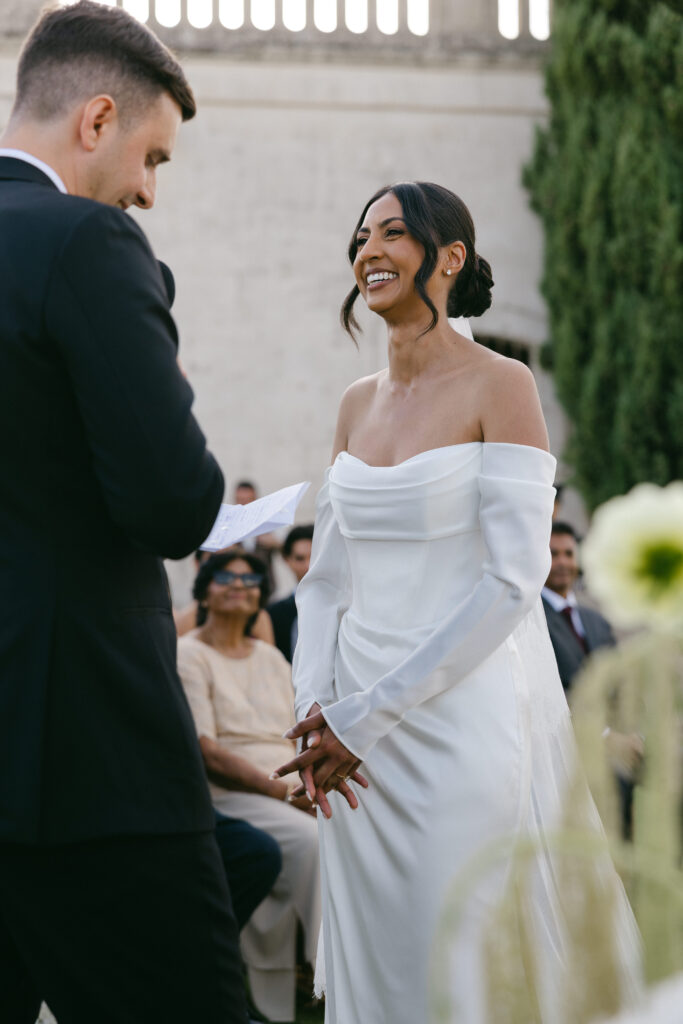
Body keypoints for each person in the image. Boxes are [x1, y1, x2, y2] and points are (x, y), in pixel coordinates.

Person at [273, 182, 641, 1022]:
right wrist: (315, 714)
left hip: (454, 724)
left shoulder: (502, 383)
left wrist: (364, 717)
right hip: (348, 748)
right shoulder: (353, 403)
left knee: (457, 951)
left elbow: (513, 580)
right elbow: (326, 579)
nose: (368, 249)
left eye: (393, 233)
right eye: (360, 234)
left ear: (448, 258)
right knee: (380, 957)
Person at [0, 4, 249, 1022]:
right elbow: (173, 500)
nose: (148, 191)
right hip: (82, 755)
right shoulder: (90, 242)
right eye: (153, 158)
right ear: (96, 120)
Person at [177, 550, 345, 1022]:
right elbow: (205, 749)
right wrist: (280, 792)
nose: (240, 584)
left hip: (293, 783)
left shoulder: (272, 657)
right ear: (203, 590)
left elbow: (298, 728)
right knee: (314, 840)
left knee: (359, 824)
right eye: (225, 576)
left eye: (250, 577)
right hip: (235, 794)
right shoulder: (189, 653)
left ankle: (371, 963)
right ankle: (328, 982)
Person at [542, 521, 643, 838]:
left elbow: (622, 684)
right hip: (565, 743)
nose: (562, 562)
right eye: (553, 554)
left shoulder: (596, 620)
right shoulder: (531, 622)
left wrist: (633, 732)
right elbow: (550, 690)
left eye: (569, 554)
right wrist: (605, 735)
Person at [174, 546, 275, 644]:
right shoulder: (186, 625)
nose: (238, 585)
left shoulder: (261, 621)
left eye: (249, 578)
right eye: (224, 576)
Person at [267, 524, 314, 662]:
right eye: (300, 558)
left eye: (314, 556)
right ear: (287, 560)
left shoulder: (346, 607)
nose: (308, 565)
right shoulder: (273, 614)